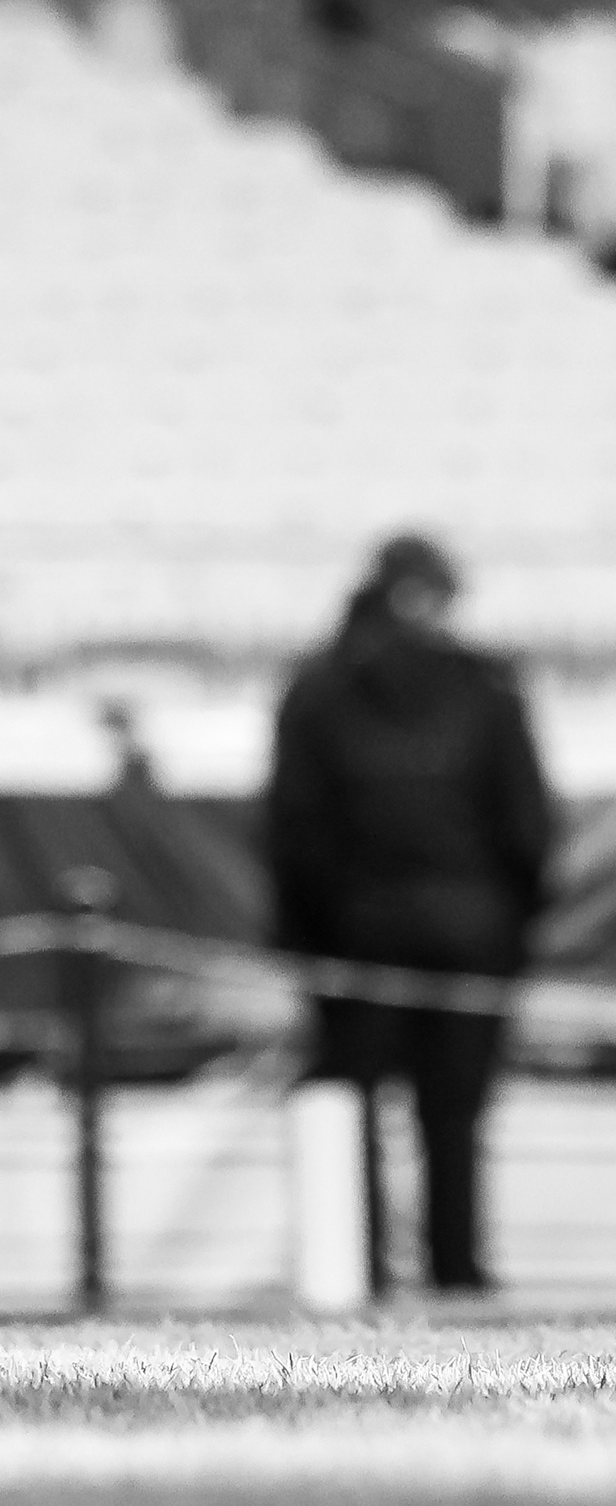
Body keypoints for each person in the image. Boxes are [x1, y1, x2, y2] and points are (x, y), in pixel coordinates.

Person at [264, 534, 555, 1294]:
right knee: (455, 1116)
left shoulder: (318, 685)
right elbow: (527, 825)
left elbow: (295, 830)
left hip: (356, 937)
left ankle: (358, 1270)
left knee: (356, 1109)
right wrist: (510, 927)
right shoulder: (487, 686)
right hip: (471, 936)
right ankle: (456, 1273)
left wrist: (314, 935)